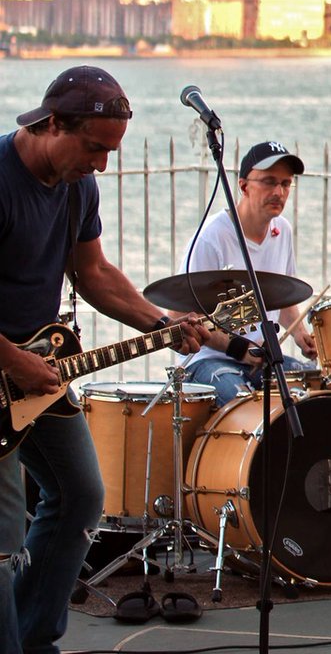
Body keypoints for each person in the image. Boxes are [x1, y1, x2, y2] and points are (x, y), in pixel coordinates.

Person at [0, 65, 208, 654]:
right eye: (94, 148)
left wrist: (161, 323)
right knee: (3, 526)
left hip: (40, 371)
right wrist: (14, 362)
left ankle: (34, 636)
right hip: (14, 366)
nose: (102, 165)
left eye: (112, 151)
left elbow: (92, 274)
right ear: (50, 124)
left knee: (81, 496)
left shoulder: (76, 188)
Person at [176, 141, 317, 406]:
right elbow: (180, 317)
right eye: (269, 182)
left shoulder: (282, 231)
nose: (279, 192)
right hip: (208, 360)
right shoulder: (212, 238)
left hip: (261, 359)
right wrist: (237, 348)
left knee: (316, 394)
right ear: (243, 186)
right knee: (244, 405)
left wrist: (301, 335)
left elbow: (281, 301)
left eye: (286, 184)